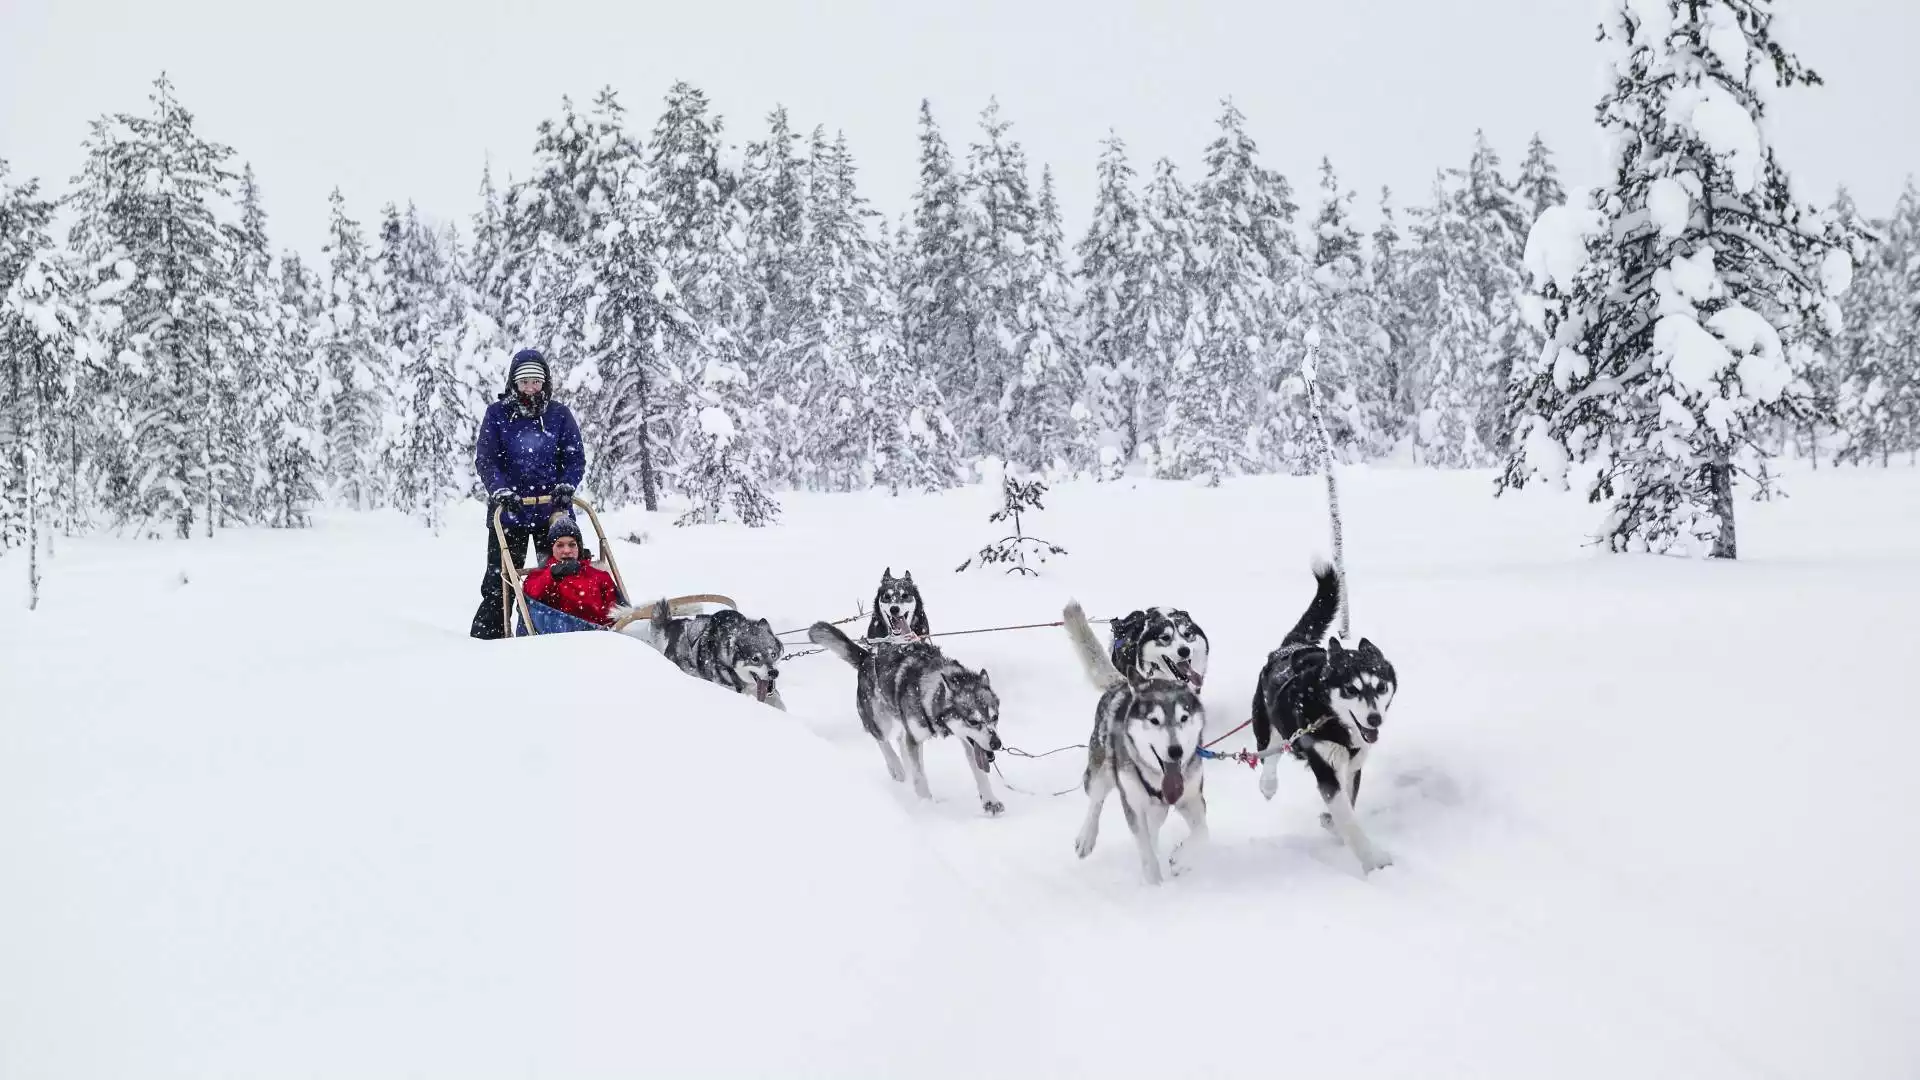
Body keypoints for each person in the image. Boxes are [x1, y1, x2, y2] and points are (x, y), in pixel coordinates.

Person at [469, 348, 587, 639]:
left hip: (553, 512)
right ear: (513, 384)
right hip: (511, 512)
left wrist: (566, 485)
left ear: (544, 383)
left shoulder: (559, 415)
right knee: (501, 583)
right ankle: (488, 641)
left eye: (536, 382)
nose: (530, 389)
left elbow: (574, 457)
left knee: (563, 575)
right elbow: (486, 459)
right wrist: (501, 490)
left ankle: (566, 631)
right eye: (524, 383)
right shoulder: (497, 415)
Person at [520, 514, 621, 627]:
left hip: (599, 635)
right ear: (552, 549)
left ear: (579, 548)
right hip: (560, 636)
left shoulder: (600, 576)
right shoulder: (541, 576)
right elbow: (530, 594)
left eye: (572, 545)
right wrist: (552, 574)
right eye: (560, 545)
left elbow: (614, 612)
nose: (567, 550)